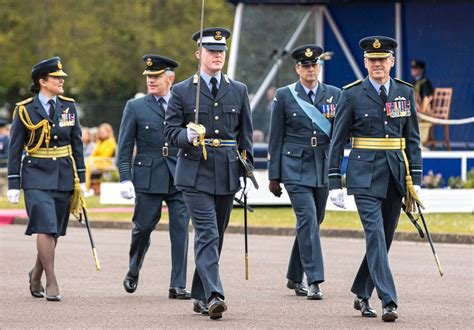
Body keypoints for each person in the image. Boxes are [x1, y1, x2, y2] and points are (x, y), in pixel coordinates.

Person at [328, 36, 422, 322]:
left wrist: (415, 179)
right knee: (375, 236)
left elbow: (413, 139)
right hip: (363, 176)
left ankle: (361, 291)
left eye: (383, 60)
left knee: (385, 239)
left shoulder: (404, 92)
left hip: (395, 175)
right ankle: (388, 300)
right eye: (372, 60)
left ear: (392, 62)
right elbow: (337, 140)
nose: (378, 65)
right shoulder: (352, 94)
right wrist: (335, 181)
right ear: (365, 62)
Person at [165, 27, 253, 320]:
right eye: (211, 50)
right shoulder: (181, 91)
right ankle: (215, 294)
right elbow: (169, 133)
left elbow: (245, 136)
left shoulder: (238, 89)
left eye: (221, 51)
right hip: (194, 171)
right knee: (207, 232)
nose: (217, 55)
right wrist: (185, 136)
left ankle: (200, 294)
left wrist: (246, 169)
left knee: (217, 236)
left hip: (227, 170)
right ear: (198, 54)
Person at [7, 56, 86, 301]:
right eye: (56, 78)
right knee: (45, 225)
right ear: (42, 81)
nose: (62, 81)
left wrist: (81, 178)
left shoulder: (68, 106)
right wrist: (13, 182)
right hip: (35, 174)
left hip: (63, 174)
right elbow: (15, 147)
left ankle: (35, 274)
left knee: (54, 230)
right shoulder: (25, 109)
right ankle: (52, 281)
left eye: (62, 78)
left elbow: (77, 142)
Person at [268, 44, 341, 300]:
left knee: (313, 221)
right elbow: (275, 138)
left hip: (321, 165)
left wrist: (338, 172)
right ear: (298, 68)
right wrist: (273, 176)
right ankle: (315, 280)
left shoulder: (334, 95)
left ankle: (293, 275)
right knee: (308, 220)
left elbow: (339, 135)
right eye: (306, 66)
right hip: (294, 167)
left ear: (319, 67)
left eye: (315, 65)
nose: (311, 70)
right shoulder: (285, 95)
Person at [117, 54, 191, 299]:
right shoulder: (135, 106)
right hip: (148, 175)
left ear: (171, 79)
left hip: (180, 172)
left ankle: (177, 284)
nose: (151, 80)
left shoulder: (183, 104)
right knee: (143, 228)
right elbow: (125, 146)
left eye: (156, 76)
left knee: (180, 229)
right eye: (149, 76)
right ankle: (134, 268)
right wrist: (125, 177)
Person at [84, 122, 116, 194]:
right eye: (100, 132)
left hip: (105, 162)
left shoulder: (110, 142)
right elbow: (93, 154)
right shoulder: (99, 142)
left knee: (86, 165)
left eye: (103, 132)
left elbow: (106, 155)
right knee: (85, 164)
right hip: (96, 161)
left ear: (108, 132)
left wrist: (91, 159)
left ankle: (86, 189)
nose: (101, 134)